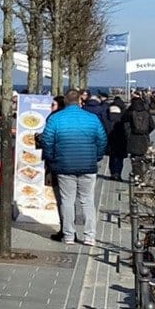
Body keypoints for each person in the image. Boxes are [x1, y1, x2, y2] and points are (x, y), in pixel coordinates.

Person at [41, 89, 107, 247]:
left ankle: (69, 235)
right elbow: (102, 140)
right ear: (80, 101)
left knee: (67, 201)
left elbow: (47, 141)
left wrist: (52, 159)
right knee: (87, 201)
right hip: (88, 166)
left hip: (64, 166)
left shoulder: (55, 119)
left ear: (65, 101)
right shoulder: (92, 119)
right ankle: (90, 236)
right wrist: (95, 157)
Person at [123, 91, 155, 173]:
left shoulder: (130, 113)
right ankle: (141, 173)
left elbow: (126, 125)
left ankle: (136, 173)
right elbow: (152, 125)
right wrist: (146, 132)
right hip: (144, 137)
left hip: (133, 137)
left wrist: (128, 134)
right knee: (142, 156)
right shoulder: (146, 113)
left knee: (134, 156)